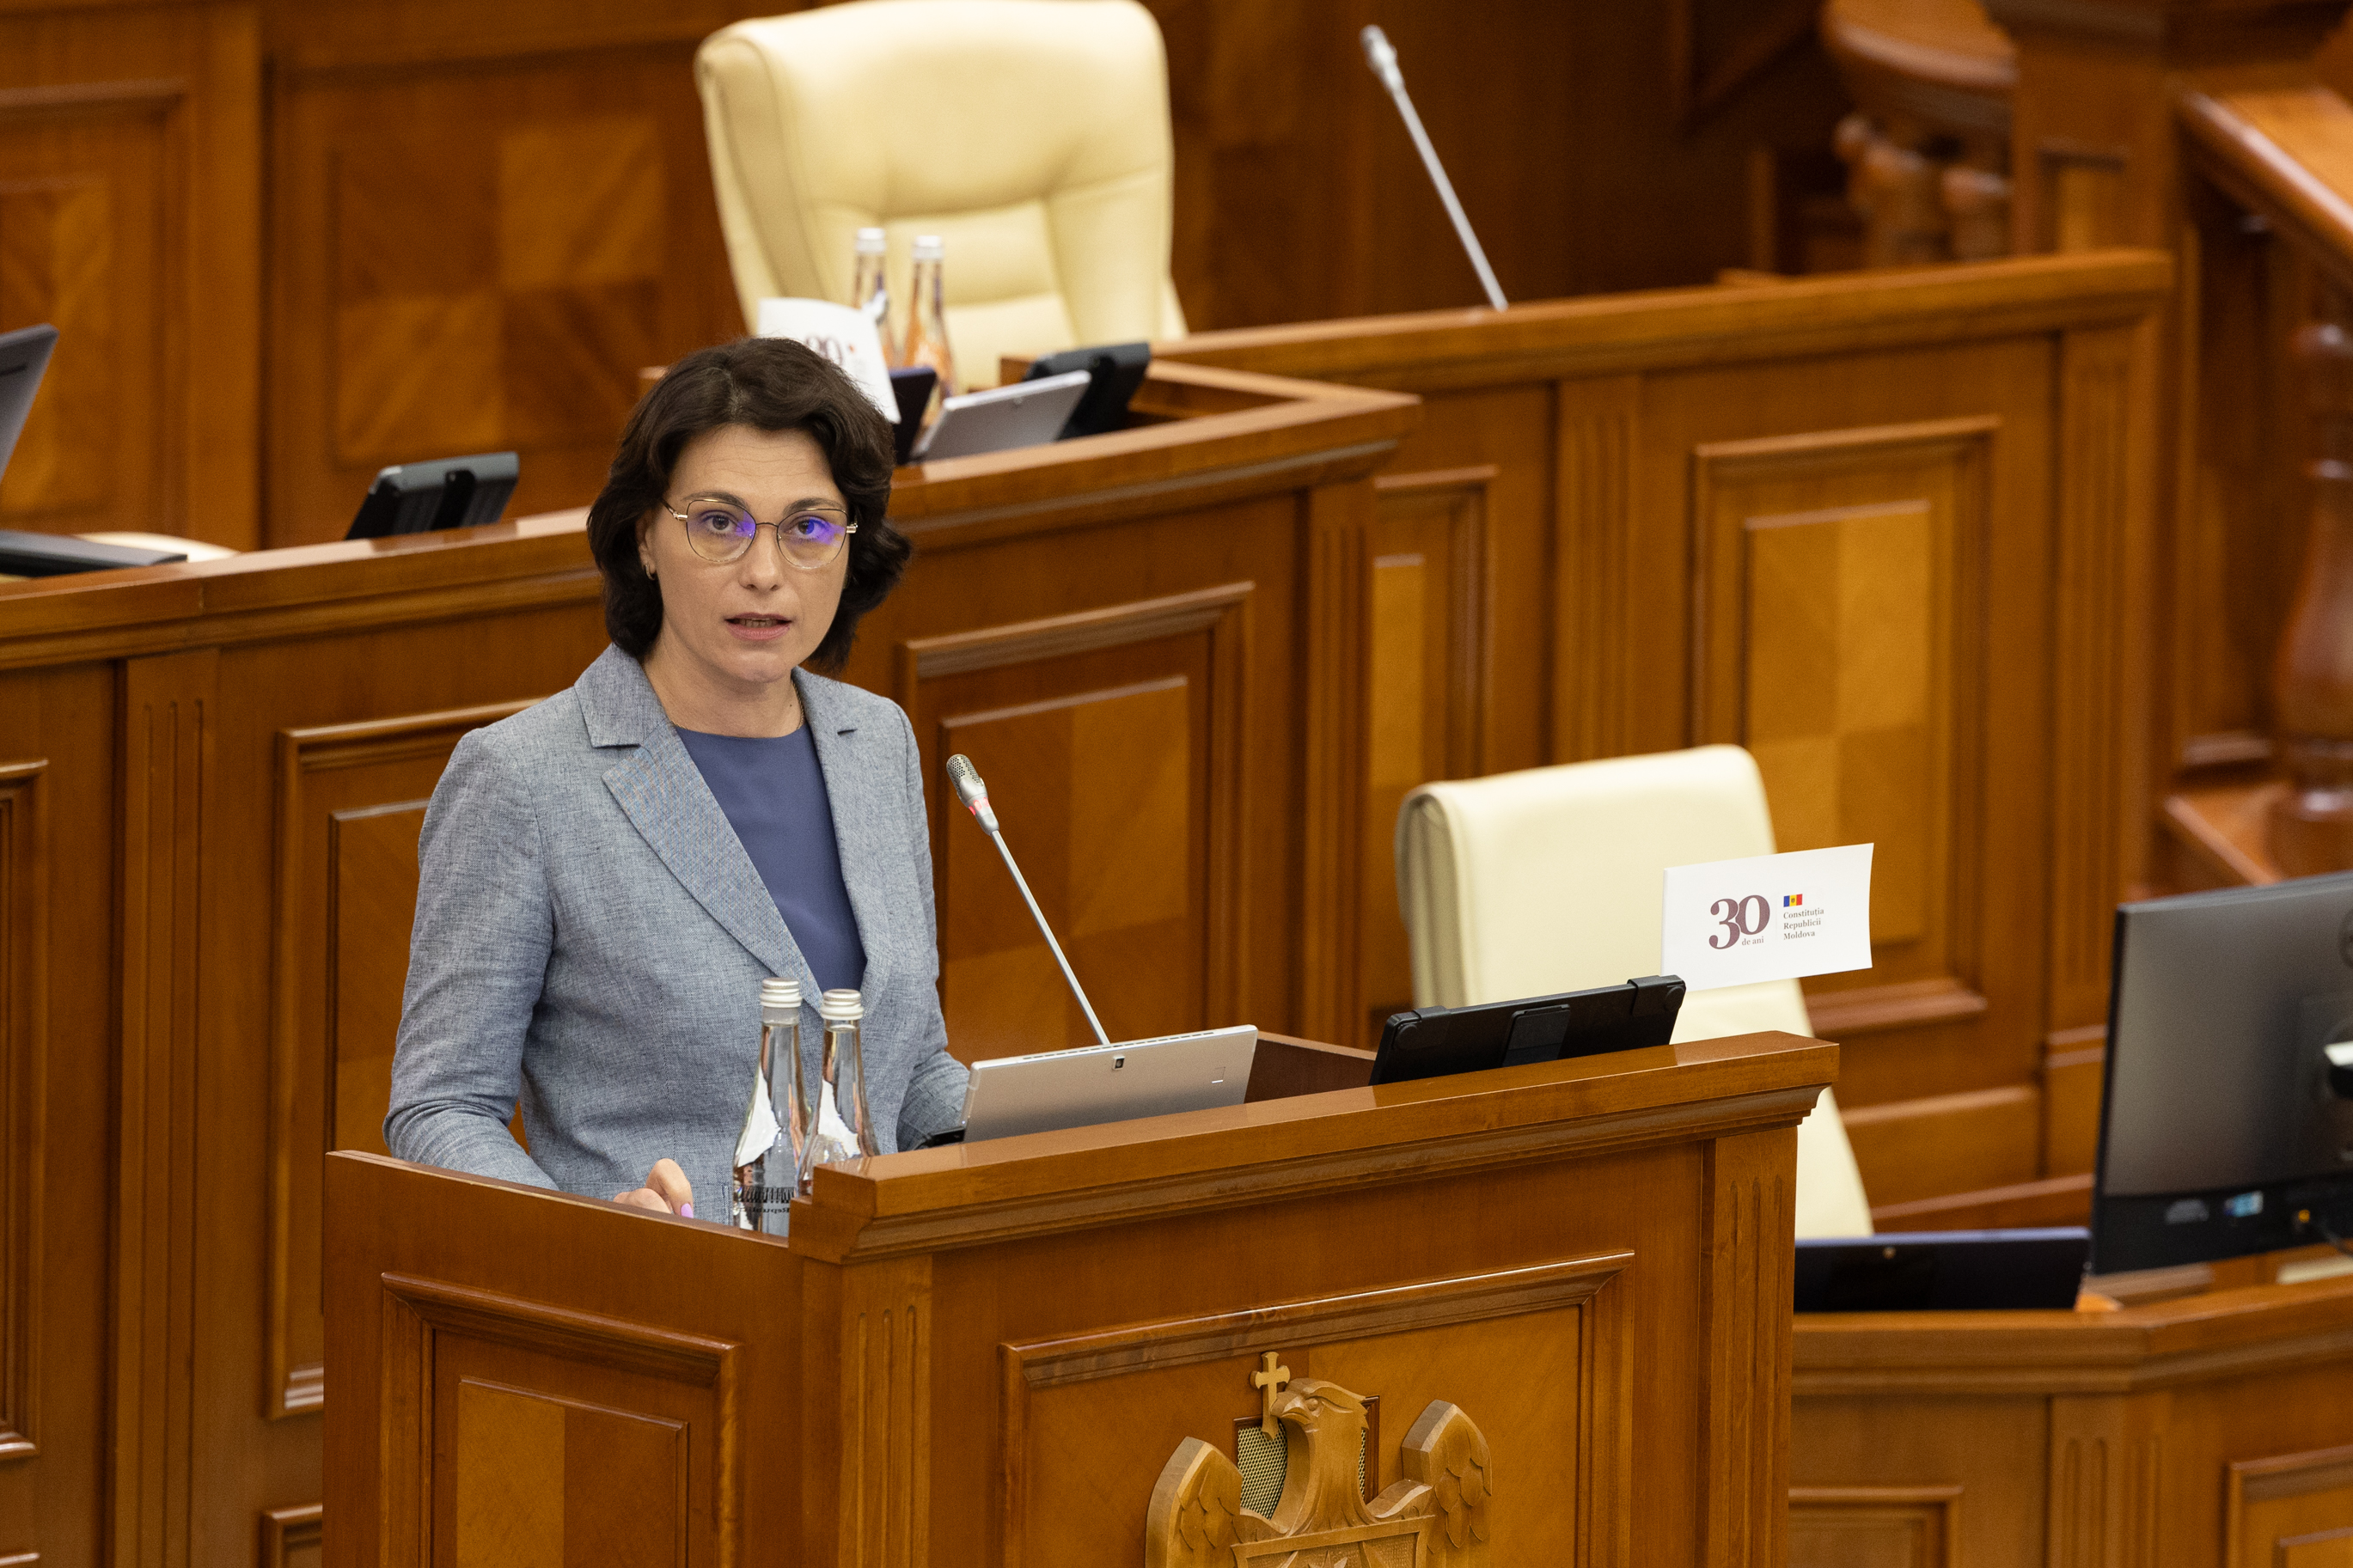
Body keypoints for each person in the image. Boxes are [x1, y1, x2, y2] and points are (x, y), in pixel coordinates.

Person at [384, 338, 967, 1227]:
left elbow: (910, 1064)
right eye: (719, 523)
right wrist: (599, 1233)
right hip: (666, 1291)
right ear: (644, 537)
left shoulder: (875, 742)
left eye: (808, 527)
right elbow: (439, 1108)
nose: (765, 572)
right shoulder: (524, 779)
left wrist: (1046, 1129)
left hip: (881, 1277)